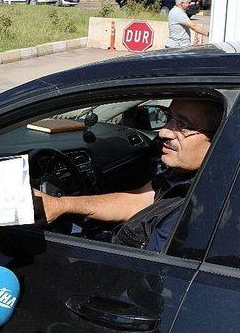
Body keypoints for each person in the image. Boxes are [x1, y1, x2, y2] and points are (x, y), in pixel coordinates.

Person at [34, 98, 222, 251]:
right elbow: (140, 201)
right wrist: (61, 205)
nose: (164, 132)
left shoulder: (197, 212)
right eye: (169, 118)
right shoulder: (185, 177)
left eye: (183, 126)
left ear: (219, 137)